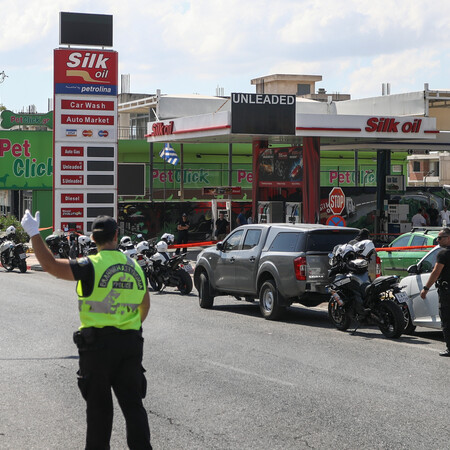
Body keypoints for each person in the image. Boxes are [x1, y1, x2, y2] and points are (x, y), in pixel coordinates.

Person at [20, 211, 152, 449]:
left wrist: (34, 233)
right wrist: (129, 326)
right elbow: (145, 304)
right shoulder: (134, 266)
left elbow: (50, 265)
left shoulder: (90, 265)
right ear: (116, 235)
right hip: (131, 345)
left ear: (93, 238)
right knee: (134, 408)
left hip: (98, 348)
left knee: (100, 413)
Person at [420, 227, 450, 357]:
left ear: (448, 238)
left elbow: (435, 273)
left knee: (447, 319)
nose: (437, 240)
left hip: (447, 292)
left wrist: (425, 288)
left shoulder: (443, 254)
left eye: (440, 238)